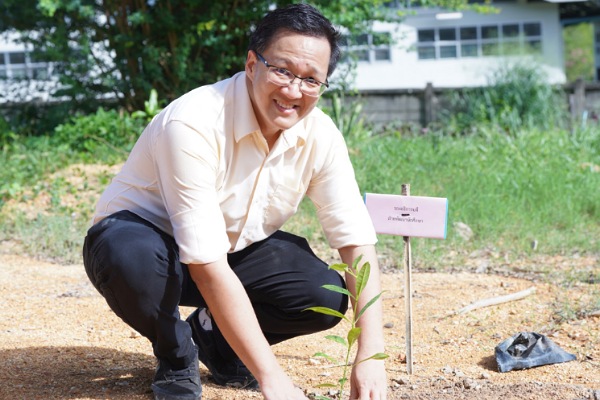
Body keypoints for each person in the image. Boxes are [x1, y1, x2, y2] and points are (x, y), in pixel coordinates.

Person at [82, 3, 386, 400]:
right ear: (252, 64)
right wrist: (272, 378)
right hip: (147, 246)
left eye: (311, 79)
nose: (294, 91)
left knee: (323, 292)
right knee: (129, 257)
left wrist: (371, 355)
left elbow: (355, 240)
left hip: (227, 250)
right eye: (282, 71)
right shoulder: (194, 121)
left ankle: (215, 341)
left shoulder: (320, 135)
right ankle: (176, 355)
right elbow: (204, 263)